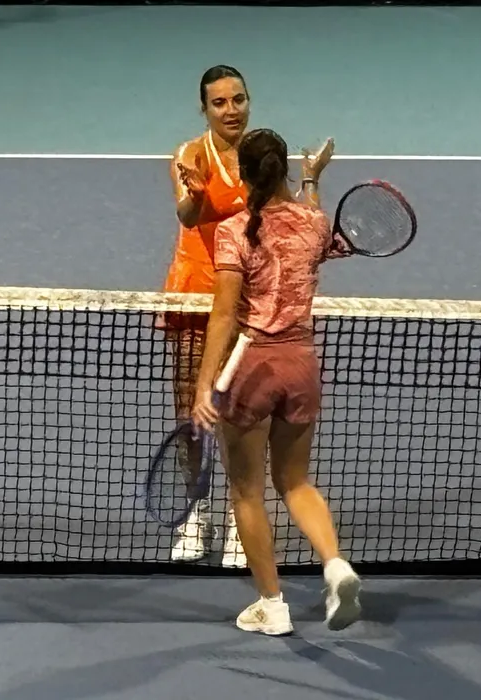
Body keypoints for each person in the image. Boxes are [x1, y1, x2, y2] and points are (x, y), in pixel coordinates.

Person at [190, 127, 361, 636]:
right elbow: (309, 230)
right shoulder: (314, 222)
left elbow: (224, 316)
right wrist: (312, 181)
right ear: (282, 167)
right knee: (296, 482)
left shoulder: (234, 230)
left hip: (253, 369)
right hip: (301, 367)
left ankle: (273, 605)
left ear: (242, 174)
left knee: (247, 491)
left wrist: (203, 385)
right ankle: (335, 565)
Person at [162, 65, 331, 565]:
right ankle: (197, 511)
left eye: (238, 99)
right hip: (198, 294)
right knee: (190, 410)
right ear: (204, 109)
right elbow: (186, 215)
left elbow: (293, 218)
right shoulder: (192, 155)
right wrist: (196, 194)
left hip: (254, 298)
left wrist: (310, 180)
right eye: (219, 102)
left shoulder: (262, 155)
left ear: (249, 101)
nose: (230, 110)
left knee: (248, 411)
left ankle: (244, 515)